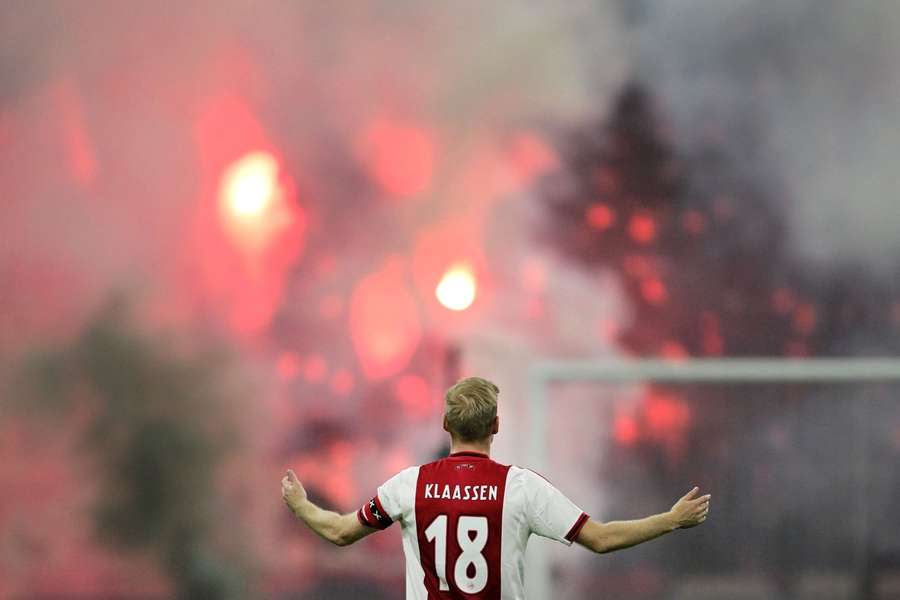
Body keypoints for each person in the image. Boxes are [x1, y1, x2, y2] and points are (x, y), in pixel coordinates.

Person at [282, 376, 710, 599]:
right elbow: (600, 539)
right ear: (496, 427)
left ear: (446, 425)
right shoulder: (520, 487)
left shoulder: (410, 485)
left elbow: (339, 532)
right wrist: (670, 520)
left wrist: (301, 505)